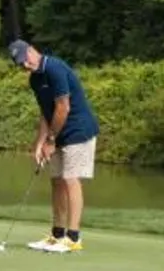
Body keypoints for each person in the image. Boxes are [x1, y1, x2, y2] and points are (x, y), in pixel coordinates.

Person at [8, 39, 100, 253]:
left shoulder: (55, 68)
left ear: (32, 50)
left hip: (78, 130)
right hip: (58, 132)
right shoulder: (35, 79)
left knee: (70, 179)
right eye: (20, 64)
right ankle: (57, 235)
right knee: (56, 180)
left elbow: (63, 107)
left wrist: (50, 141)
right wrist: (39, 143)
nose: (25, 65)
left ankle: (73, 238)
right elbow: (46, 112)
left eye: (25, 60)